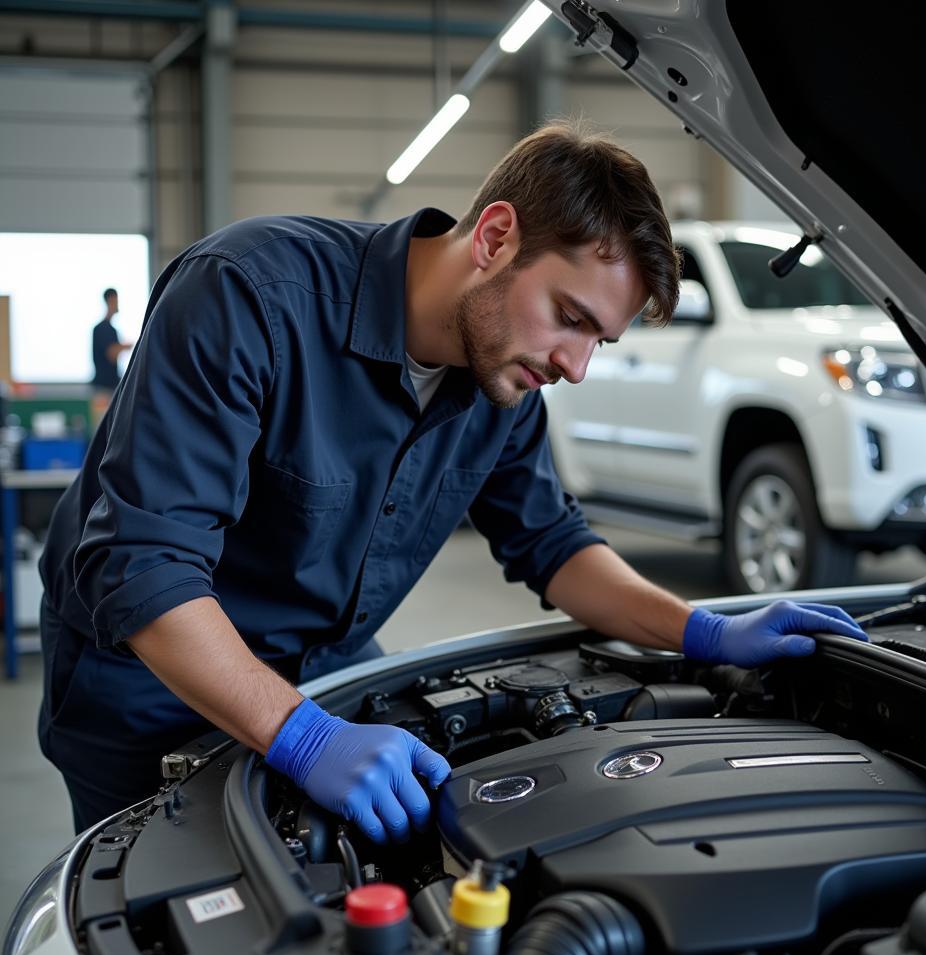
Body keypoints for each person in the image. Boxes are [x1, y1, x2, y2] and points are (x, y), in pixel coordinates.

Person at [38, 121, 868, 838]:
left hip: (328, 670)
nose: (574, 367)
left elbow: (552, 543)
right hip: (147, 681)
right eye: (572, 319)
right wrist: (303, 737)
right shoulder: (249, 296)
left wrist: (703, 632)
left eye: (599, 343)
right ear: (495, 237)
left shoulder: (501, 384)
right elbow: (143, 568)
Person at [91, 287, 132, 392]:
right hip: (103, 388)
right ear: (110, 300)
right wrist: (128, 346)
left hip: (112, 385)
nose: (117, 304)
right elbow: (111, 354)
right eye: (116, 300)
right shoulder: (101, 329)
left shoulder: (112, 330)